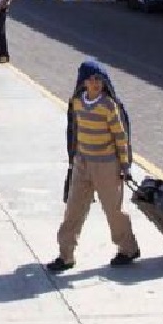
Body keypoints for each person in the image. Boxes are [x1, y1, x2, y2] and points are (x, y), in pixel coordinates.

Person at [47, 59, 140, 272]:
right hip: (83, 163)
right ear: (83, 82)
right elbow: (74, 132)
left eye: (99, 79)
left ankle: (128, 249)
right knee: (73, 210)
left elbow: (120, 136)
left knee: (113, 211)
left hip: (107, 166)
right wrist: (73, 161)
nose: (96, 83)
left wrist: (125, 166)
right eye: (91, 79)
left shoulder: (109, 106)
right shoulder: (77, 102)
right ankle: (66, 255)